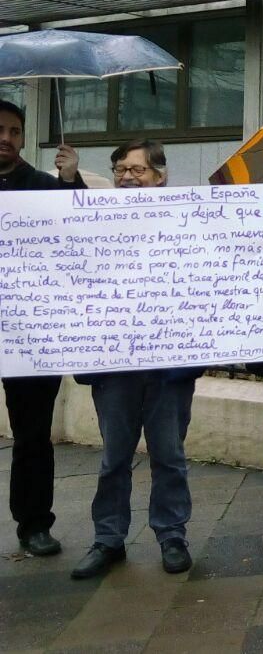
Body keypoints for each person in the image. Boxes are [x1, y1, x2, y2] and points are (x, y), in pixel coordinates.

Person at [65, 141, 203, 579]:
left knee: (169, 456)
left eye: (137, 170)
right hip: (113, 367)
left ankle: (172, 535)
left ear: (160, 177)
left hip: (169, 370)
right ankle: (108, 539)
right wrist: (68, 177)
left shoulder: (187, 225)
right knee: (114, 459)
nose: (127, 177)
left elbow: (217, 266)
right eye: (120, 169)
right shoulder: (93, 226)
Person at [0, 100, 84, 558]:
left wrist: (70, 180)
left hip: (30, 332)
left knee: (32, 433)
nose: (6, 138)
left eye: (15, 131)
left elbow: (81, 233)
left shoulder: (44, 186)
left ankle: (34, 523)